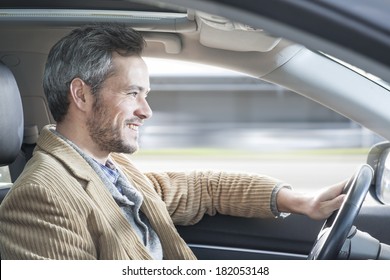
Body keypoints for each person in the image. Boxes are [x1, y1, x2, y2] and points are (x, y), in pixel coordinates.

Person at [0, 23, 345, 260]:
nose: (146, 111)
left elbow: (203, 188)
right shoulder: (41, 197)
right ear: (81, 95)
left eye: (144, 94)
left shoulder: (113, 168)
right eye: (132, 93)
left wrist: (300, 200)